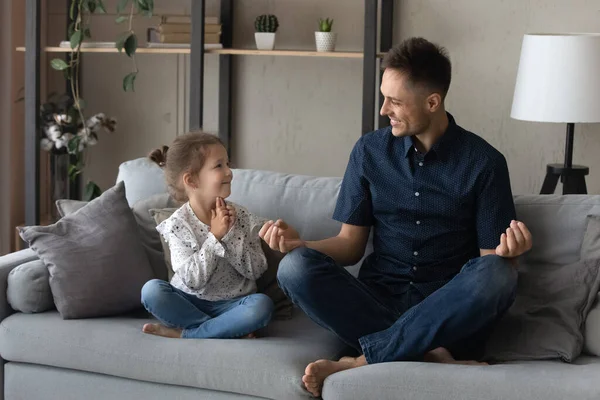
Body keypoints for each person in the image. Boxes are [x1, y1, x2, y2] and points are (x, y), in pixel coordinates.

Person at [259, 37, 532, 397]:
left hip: (446, 314)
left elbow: (486, 267)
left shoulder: (484, 163)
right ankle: (429, 355)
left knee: (499, 272)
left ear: (432, 102)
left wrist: (511, 254)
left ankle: (362, 360)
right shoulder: (369, 152)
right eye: (384, 97)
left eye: (396, 101)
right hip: (375, 302)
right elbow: (349, 245)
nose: (384, 109)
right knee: (294, 267)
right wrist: (300, 244)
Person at [140, 132, 274, 339]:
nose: (229, 172)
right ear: (191, 180)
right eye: (219, 166)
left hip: (233, 305)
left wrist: (230, 235)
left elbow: (256, 270)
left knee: (262, 306)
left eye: (228, 164)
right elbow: (193, 281)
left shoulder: (242, 217)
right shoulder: (177, 225)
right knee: (151, 291)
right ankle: (224, 330)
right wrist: (216, 236)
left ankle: (188, 334)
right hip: (189, 302)